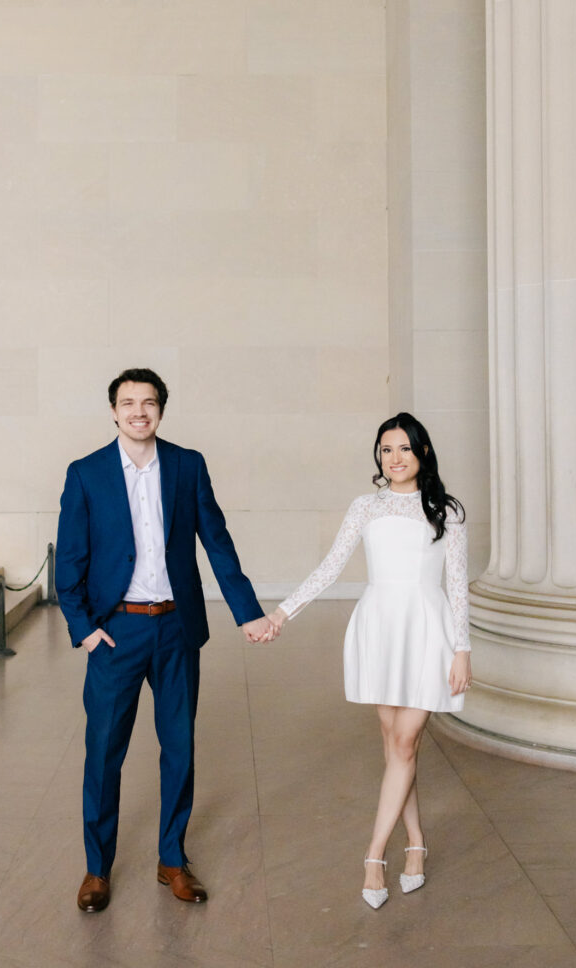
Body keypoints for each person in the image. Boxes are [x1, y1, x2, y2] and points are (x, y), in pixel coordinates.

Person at [56, 367, 272, 913]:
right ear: (113, 411)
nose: (138, 411)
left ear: (160, 410)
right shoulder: (85, 474)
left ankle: (172, 859)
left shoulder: (186, 465)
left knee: (179, 745)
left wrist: (247, 612)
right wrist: (85, 631)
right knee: (104, 753)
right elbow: (71, 563)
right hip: (116, 633)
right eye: (128, 402)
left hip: (176, 628)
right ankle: (97, 869)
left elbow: (217, 544)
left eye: (148, 402)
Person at [265, 413, 472, 909]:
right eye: (385, 449)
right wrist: (282, 613)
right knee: (397, 749)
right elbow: (332, 566)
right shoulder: (366, 506)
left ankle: (374, 856)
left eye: (404, 448)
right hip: (379, 629)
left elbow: (457, 586)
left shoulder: (446, 511)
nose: (394, 458)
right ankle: (416, 842)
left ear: (422, 452)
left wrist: (462, 648)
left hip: (428, 631)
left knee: (404, 742)